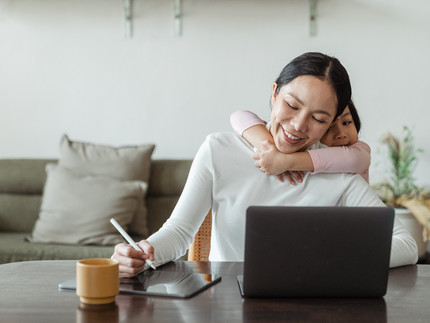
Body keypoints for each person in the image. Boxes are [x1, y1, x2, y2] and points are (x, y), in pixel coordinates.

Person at [112, 52, 418, 277]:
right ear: (274, 94)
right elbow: (179, 232)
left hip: (311, 308)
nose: (298, 125)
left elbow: (406, 244)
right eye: (292, 105)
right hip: (226, 305)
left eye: (319, 118)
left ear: (331, 124)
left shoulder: (338, 174)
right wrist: (142, 252)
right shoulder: (219, 150)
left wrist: (337, 257)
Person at [230, 100, 371, 184]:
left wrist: (285, 161)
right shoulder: (307, 147)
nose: (341, 134)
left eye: (347, 122)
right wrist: (270, 149)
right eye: (329, 128)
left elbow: (353, 159)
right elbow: (239, 116)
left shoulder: (359, 150)